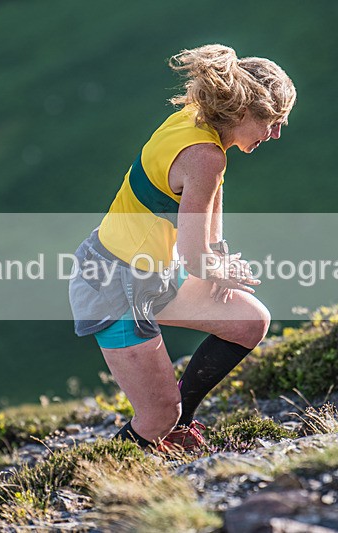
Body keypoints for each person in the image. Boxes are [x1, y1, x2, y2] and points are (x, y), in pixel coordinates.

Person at [68, 43, 296, 452]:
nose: (276, 133)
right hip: (113, 283)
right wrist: (220, 271)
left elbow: (206, 205)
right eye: (273, 121)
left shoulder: (198, 122)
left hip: (150, 273)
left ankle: (178, 426)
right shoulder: (205, 155)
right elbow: (195, 258)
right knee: (156, 416)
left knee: (248, 322)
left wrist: (219, 256)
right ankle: (88, 480)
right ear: (244, 110)